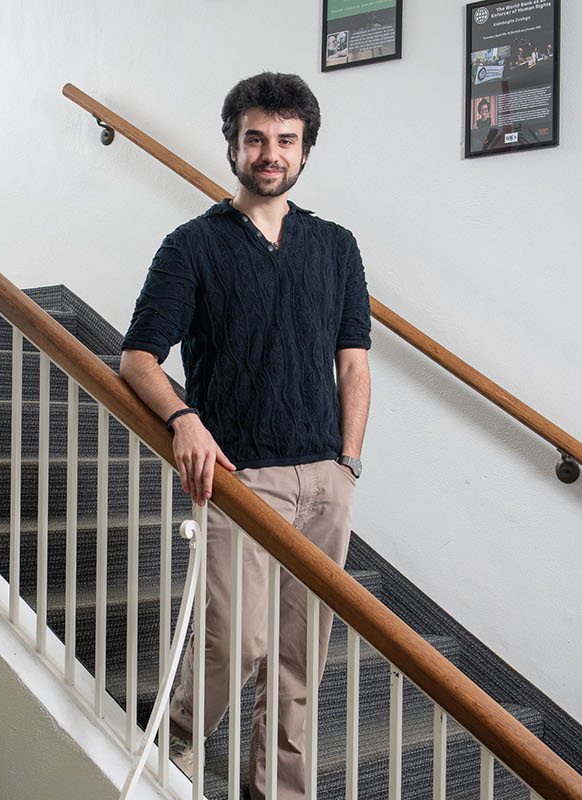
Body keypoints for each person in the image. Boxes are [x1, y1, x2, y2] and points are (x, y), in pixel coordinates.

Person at [119, 71, 371, 800]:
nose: (271, 153)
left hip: (324, 482)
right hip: (236, 481)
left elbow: (352, 363)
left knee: (301, 662)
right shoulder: (192, 247)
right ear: (233, 145)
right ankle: (168, 762)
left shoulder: (336, 247)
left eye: (286, 141)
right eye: (256, 138)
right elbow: (138, 358)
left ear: (305, 151)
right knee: (235, 642)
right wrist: (183, 417)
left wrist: (347, 465)